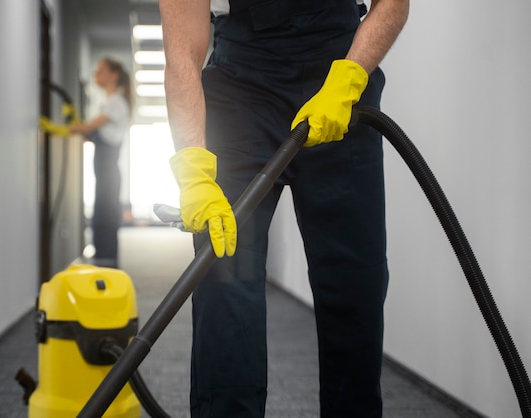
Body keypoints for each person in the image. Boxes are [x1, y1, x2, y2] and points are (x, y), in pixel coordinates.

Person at [159, 0, 409, 417]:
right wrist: (193, 170)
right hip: (240, 84)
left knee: (354, 283)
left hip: (338, 70)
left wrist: (349, 78)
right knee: (224, 272)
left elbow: (394, 5)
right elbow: (182, 51)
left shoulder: (344, 76)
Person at [41, 58, 131, 268]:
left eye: (100, 70)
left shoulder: (116, 102)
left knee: (105, 220)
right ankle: (104, 265)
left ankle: (107, 268)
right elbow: (91, 135)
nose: (95, 74)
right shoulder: (109, 101)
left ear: (113, 75)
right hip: (104, 169)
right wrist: (75, 123)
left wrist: (58, 128)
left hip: (108, 171)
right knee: (101, 218)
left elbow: (87, 129)